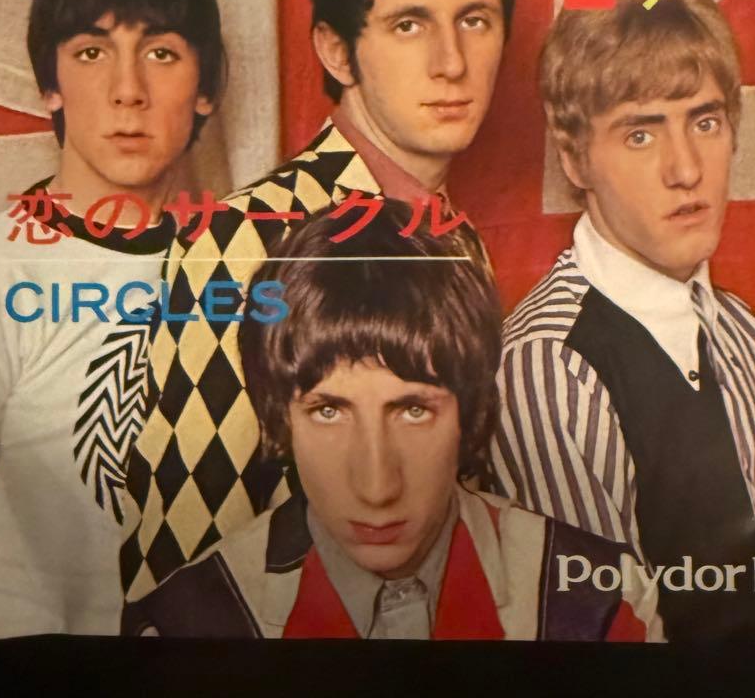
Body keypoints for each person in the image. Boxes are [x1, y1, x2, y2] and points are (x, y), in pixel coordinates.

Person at [121, 0, 515, 599]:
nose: (452, 62)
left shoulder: (459, 244)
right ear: (337, 52)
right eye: (409, 25)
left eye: (475, 20)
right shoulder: (241, 242)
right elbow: (184, 574)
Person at [490, 0, 755, 642]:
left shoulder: (742, 331)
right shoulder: (551, 365)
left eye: (704, 122)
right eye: (641, 135)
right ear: (575, 158)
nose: (686, 169)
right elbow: (598, 643)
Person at [122, 204, 662, 641]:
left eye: (412, 411)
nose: (376, 487)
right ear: (280, 419)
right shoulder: (185, 625)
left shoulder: (604, 604)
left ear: (470, 414)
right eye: (329, 412)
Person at [0, 0, 225, 641]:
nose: (128, 92)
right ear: (50, 86)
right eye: (92, 53)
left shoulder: (243, 268)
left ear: (206, 91)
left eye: (161, 53)